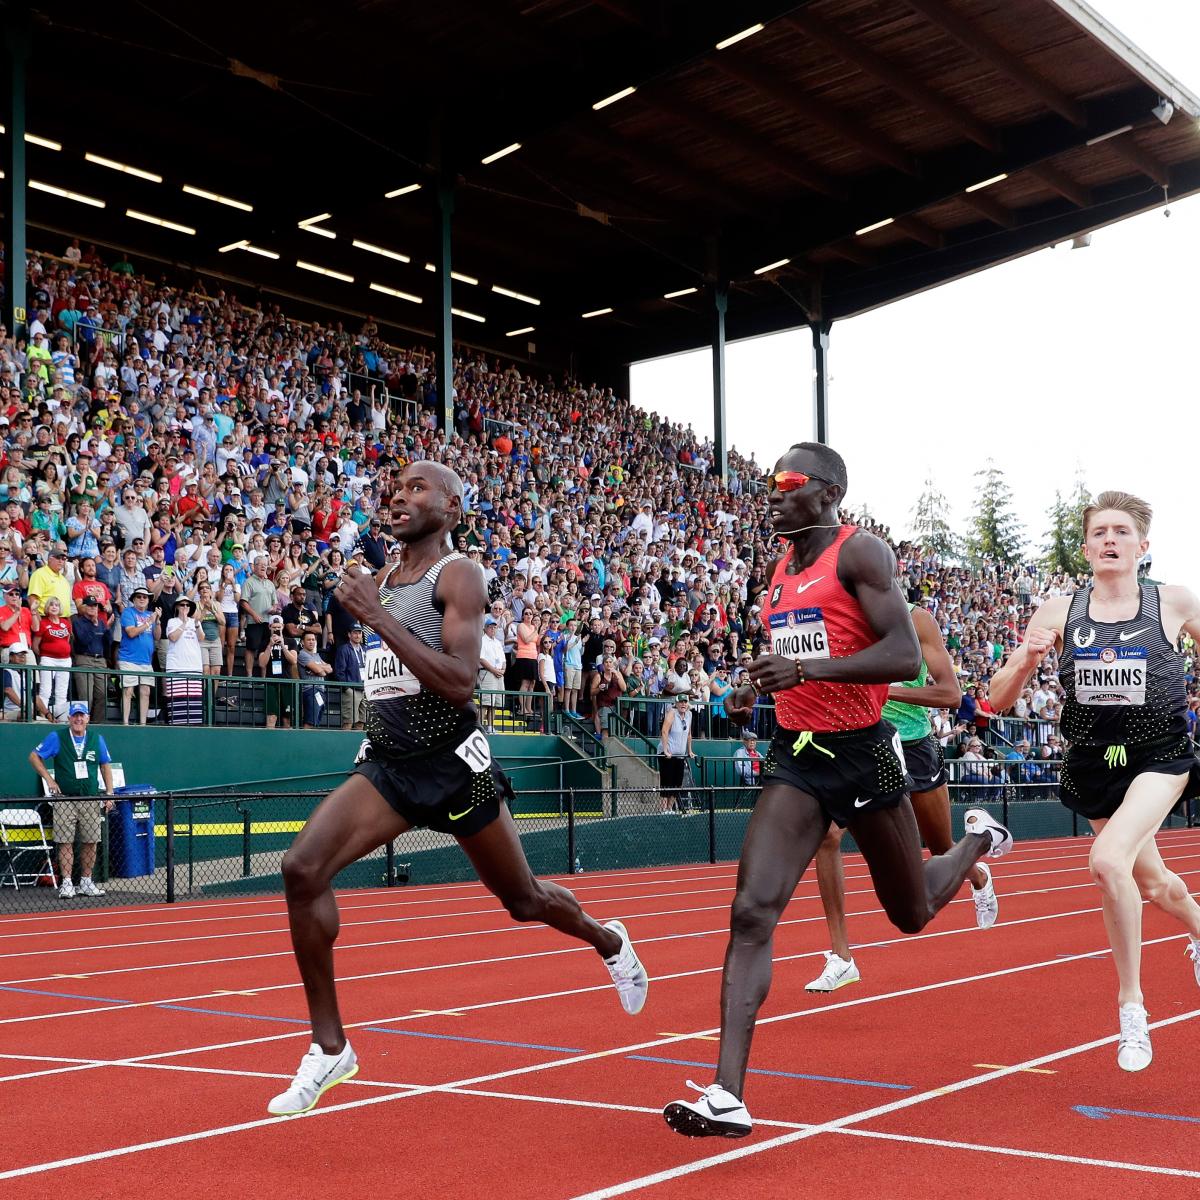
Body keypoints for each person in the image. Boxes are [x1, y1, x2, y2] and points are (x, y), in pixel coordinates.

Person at [269, 462, 647, 1116]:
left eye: (419, 488)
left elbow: (459, 681)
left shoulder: (460, 574)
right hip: (389, 764)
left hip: (454, 767)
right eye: (397, 488)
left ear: (451, 506)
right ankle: (330, 1048)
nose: (402, 496)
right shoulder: (378, 581)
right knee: (302, 869)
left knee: (524, 901)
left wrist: (375, 618)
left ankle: (608, 940)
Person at [663, 443, 1010, 1139]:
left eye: (785, 482)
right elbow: (787, 666)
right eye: (768, 482)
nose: (771, 493)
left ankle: (978, 838)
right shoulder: (777, 574)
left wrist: (807, 672)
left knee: (909, 911)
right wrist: (747, 689)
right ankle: (727, 1095)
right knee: (752, 910)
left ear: (826, 493)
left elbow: (901, 656)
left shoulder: (862, 554)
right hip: (798, 759)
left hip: (866, 754)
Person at [988, 490, 1200, 1073]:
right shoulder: (1058, 612)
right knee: (1154, 884)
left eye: (1122, 532)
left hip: (1159, 756)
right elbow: (996, 700)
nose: (1110, 539)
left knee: (1108, 861)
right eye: (1100, 531)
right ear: (1085, 547)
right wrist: (1026, 662)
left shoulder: (1174, 602)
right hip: (1091, 763)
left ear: (1142, 546)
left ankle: (1132, 1008)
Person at [805, 602, 1000, 994]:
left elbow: (949, 693)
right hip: (862, 745)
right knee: (826, 836)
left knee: (940, 848)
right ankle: (841, 957)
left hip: (913, 747)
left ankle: (978, 869)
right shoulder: (839, 621)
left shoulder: (917, 620)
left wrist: (883, 689)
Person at [27, 700, 114, 898]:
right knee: (64, 841)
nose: (78, 719)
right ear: (69, 718)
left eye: (81, 715)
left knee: (91, 841)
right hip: (64, 798)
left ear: (88, 719)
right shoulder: (56, 737)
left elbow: (105, 765)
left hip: (90, 797)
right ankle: (66, 882)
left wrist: (110, 793)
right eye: (75, 715)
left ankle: (86, 881)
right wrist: (49, 779)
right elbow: (34, 756)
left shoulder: (96, 738)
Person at [118, 586, 157, 725]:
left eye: (145, 597)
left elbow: (157, 636)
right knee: (128, 690)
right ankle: (125, 723)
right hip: (129, 658)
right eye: (139, 596)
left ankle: (143, 724)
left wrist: (157, 621)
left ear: (148, 600)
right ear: (134, 599)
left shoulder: (151, 615)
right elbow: (131, 632)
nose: (142, 599)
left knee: (145, 692)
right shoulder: (128, 612)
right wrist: (149, 622)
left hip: (146, 660)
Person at [164, 595, 205, 724]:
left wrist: (197, 623)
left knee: (193, 708)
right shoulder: (172, 621)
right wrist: (184, 623)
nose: (185, 607)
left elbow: (201, 637)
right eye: (182, 605)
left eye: (187, 605)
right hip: (176, 667)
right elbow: (173, 637)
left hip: (194, 667)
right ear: (177, 607)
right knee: (177, 707)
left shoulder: (195, 622)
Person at [71, 594, 111, 721]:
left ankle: (97, 724)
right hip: (84, 658)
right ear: (84, 607)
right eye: (89, 605)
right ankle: (82, 723)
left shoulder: (101, 623)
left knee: (102, 695)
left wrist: (107, 628)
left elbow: (108, 642)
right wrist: (93, 625)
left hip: (100, 659)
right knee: (86, 696)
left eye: (95, 605)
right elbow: (83, 640)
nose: (93, 608)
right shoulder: (78, 622)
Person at [658, 693, 694, 814]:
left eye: (685, 702)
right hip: (668, 753)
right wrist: (665, 750)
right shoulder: (672, 713)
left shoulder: (689, 714)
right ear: (676, 703)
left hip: (680, 754)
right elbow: (664, 730)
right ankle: (663, 810)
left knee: (677, 782)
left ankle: (670, 809)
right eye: (681, 702)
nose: (683, 704)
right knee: (666, 781)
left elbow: (689, 734)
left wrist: (689, 751)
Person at [333, 624, 367, 730]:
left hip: (365, 689)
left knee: (361, 722)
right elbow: (339, 672)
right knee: (348, 722)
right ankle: (344, 746)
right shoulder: (344, 649)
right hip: (351, 690)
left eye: (359, 633)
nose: (357, 635)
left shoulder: (365, 649)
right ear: (349, 635)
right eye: (355, 633)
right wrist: (347, 688)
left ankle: (357, 746)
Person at [477, 614, 507, 729]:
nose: (493, 629)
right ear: (485, 628)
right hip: (488, 673)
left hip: (499, 674)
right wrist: (494, 670)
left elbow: (503, 660)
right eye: (490, 627)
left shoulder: (498, 642)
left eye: (495, 627)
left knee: (495, 703)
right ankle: (479, 727)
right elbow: (481, 659)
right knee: (486, 702)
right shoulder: (482, 641)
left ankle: (491, 726)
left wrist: (503, 670)